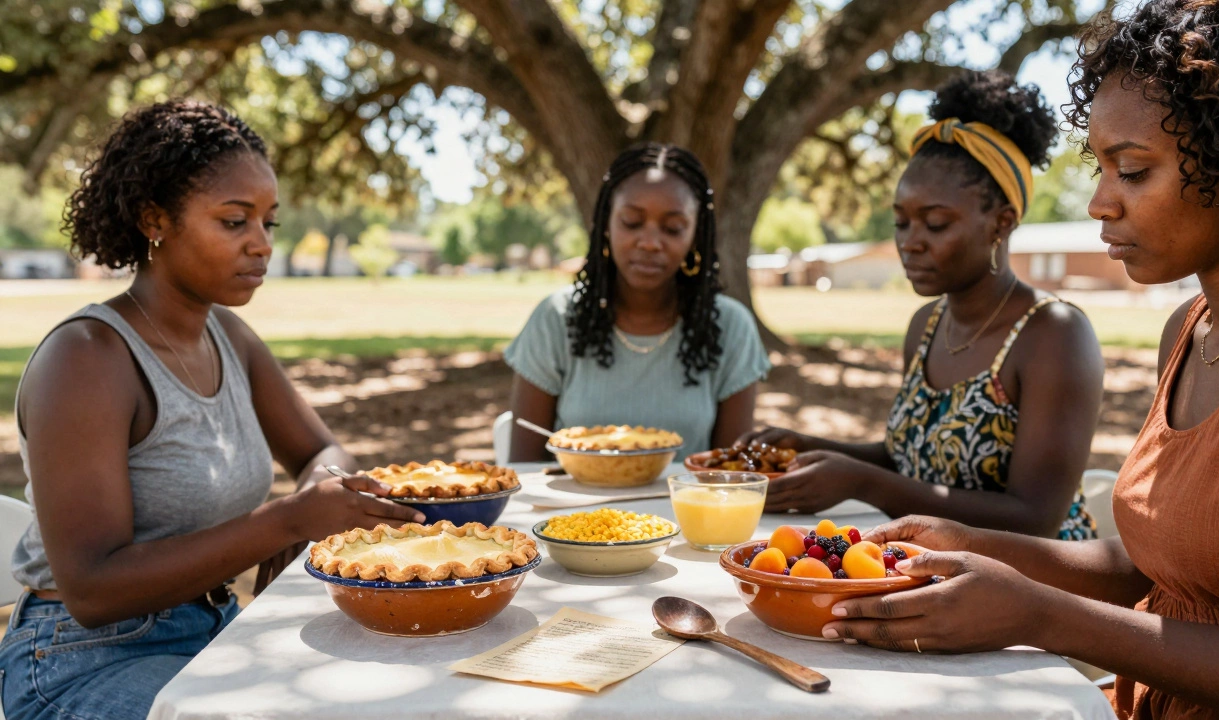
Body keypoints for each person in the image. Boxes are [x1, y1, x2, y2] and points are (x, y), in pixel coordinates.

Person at [821, 2, 1219, 717]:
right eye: (1098, 168)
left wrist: (1042, 616)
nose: (1099, 203)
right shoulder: (1188, 333)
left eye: (1131, 171)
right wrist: (975, 544)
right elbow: (1152, 570)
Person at [0, 101, 423, 720]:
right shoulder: (87, 358)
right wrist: (283, 523)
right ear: (155, 220)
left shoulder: (228, 335)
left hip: (215, 632)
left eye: (269, 224)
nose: (261, 245)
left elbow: (320, 452)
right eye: (234, 221)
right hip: (80, 659)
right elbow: (91, 587)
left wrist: (318, 494)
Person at [743, 70, 1105, 540]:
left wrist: (861, 482)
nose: (909, 243)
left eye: (934, 224)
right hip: (932, 568)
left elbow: (1035, 517)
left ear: (1001, 223)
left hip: (1033, 586)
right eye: (900, 223)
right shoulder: (927, 325)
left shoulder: (1053, 334)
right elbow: (915, 458)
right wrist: (813, 449)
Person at [506, 144, 770, 461]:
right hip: (573, 511)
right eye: (631, 222)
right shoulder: (556, 319)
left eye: (673, 228)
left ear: (695, 236)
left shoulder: (730, 327)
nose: (649, 242)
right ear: (606, 225)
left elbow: (730, 477)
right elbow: (525, 467)